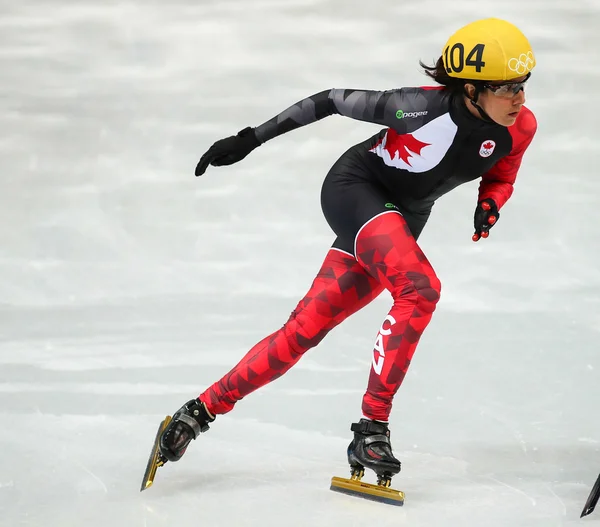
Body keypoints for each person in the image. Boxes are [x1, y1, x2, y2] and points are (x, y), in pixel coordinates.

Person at [156, 18, 537, 483]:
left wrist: (490, 203)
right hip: (355, 189)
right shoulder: (415, 107)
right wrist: (251, 138)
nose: (518, 97)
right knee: (421, 289)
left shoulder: (521, 126)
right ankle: (372, 427)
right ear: (470, 88)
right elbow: (331, 100)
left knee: (304, 328)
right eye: (505, 87)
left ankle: (198, 411)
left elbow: (503, 171)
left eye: (522, 84)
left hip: (402, 219)